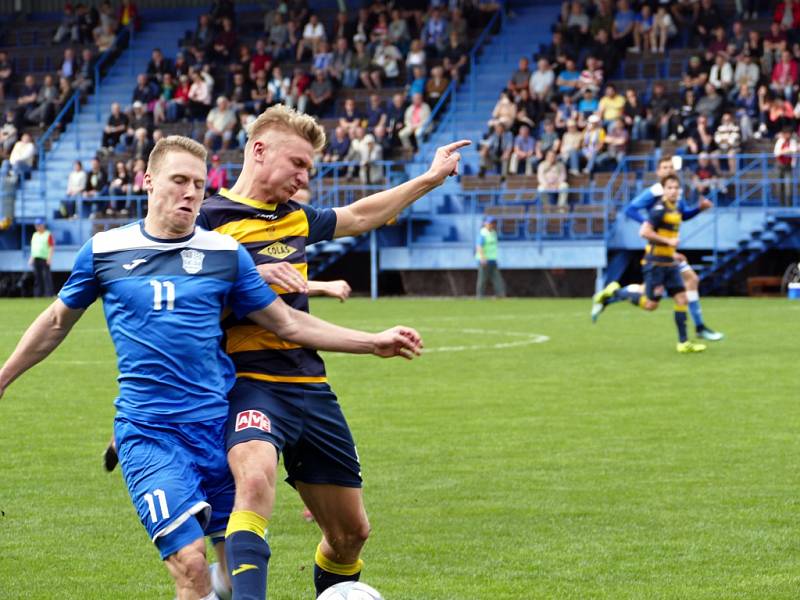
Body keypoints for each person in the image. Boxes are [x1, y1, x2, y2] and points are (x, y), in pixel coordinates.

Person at [0, 135, 423, 600]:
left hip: (214, 429)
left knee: (229, 576)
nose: (189, 193)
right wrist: (3, 378)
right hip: (151, 434)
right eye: (179, 180)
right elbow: (56, 321)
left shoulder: (224, 255)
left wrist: (372, 342)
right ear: (147, 181)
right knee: (190, 565)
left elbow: (287, 322)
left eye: (199, 185)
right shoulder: (105, 250)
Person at [195, 104, 467, 599]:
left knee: (350, 535)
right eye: (297, 164)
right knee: (253, 480)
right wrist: (247, 278)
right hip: (249, 383)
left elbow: (362, 214)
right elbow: (183, 303)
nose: (303, 178)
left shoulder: (297, 219)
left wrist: (428, 178)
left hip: (310, 388)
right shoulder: (208, 221)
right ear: (259, 151)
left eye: (308, 169)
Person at [592, 155, 723, 341]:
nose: (669, 170)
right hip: (657, 252)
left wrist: (699, 209)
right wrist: (648, 224)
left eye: (671, 167)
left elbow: (683, 215)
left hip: (668, 252)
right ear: (658, 172)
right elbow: (631, 210)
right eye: (664, 167)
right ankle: (612, 294)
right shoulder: (655, 193)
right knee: (654, 300)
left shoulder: (675, 193)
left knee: (675, 286)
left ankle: (610, 296)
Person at [475, 216, 505, 298]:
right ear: (485, 223)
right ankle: (480, 296)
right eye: (490, 223)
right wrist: (482, 257)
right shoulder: (482, 233)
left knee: (497, 278)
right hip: (484, 260)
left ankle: (500, 295)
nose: (492, 225)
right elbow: (479, 246)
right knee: (482, 279)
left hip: (492, 260)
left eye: (493, 223)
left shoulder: (494, 233)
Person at [29, 218, 54, 297]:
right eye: (36, 225)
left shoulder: (47, 234)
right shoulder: (35, 235)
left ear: (43, 225)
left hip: (45, 258)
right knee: (37, 277)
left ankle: (49, 294)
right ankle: (38, 294)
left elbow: (51, 246)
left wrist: (49, 257)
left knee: (46, 277)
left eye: (39, 225)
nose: (38, 227)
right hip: (36, 257)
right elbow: (33, 247)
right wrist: (31, 258)